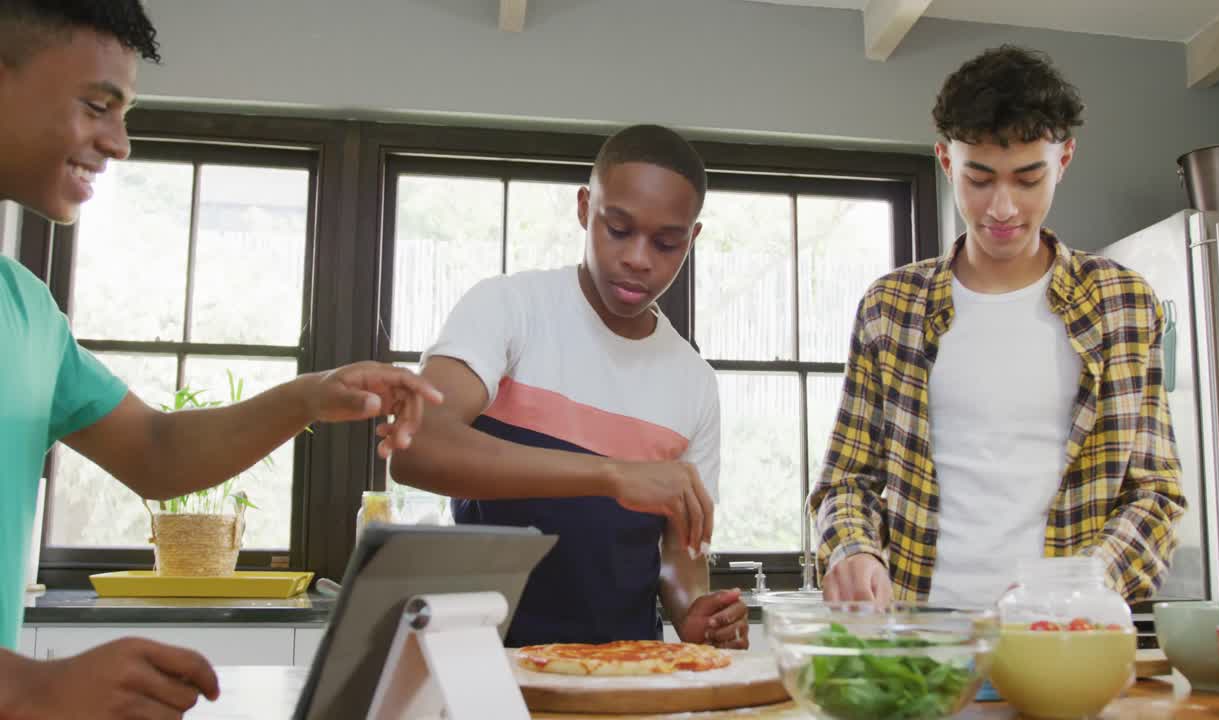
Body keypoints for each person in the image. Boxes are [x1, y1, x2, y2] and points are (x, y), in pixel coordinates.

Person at [0, 2, 443, 717]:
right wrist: (27, 685)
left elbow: (154, 451)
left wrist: (306, 397)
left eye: (124, 113)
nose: (119, 144)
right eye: (96, 106)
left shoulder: (23, 308)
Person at [809, 45, 1187, 608]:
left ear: (1063, 160)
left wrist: (1079, 586)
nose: (1003, 207)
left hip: (1065, 640)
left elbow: (1156, 493)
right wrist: (853, 550)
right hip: (920, 638)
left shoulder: (1123, 303)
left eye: (1028, 178)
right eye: (979, 179)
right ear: (945, 161)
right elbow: (845, 482)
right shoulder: (890, 307)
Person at [389, 124, 749, 649]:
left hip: (626, 674)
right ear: (585, 208)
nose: (639, 258)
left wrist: (692, 612)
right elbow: (414, 445)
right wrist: (610, 475)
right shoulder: (510, 308)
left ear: (691, 239)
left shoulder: (693, 381)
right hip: (483, 666)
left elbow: (680, 549)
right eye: (618, 229)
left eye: (666, 243)